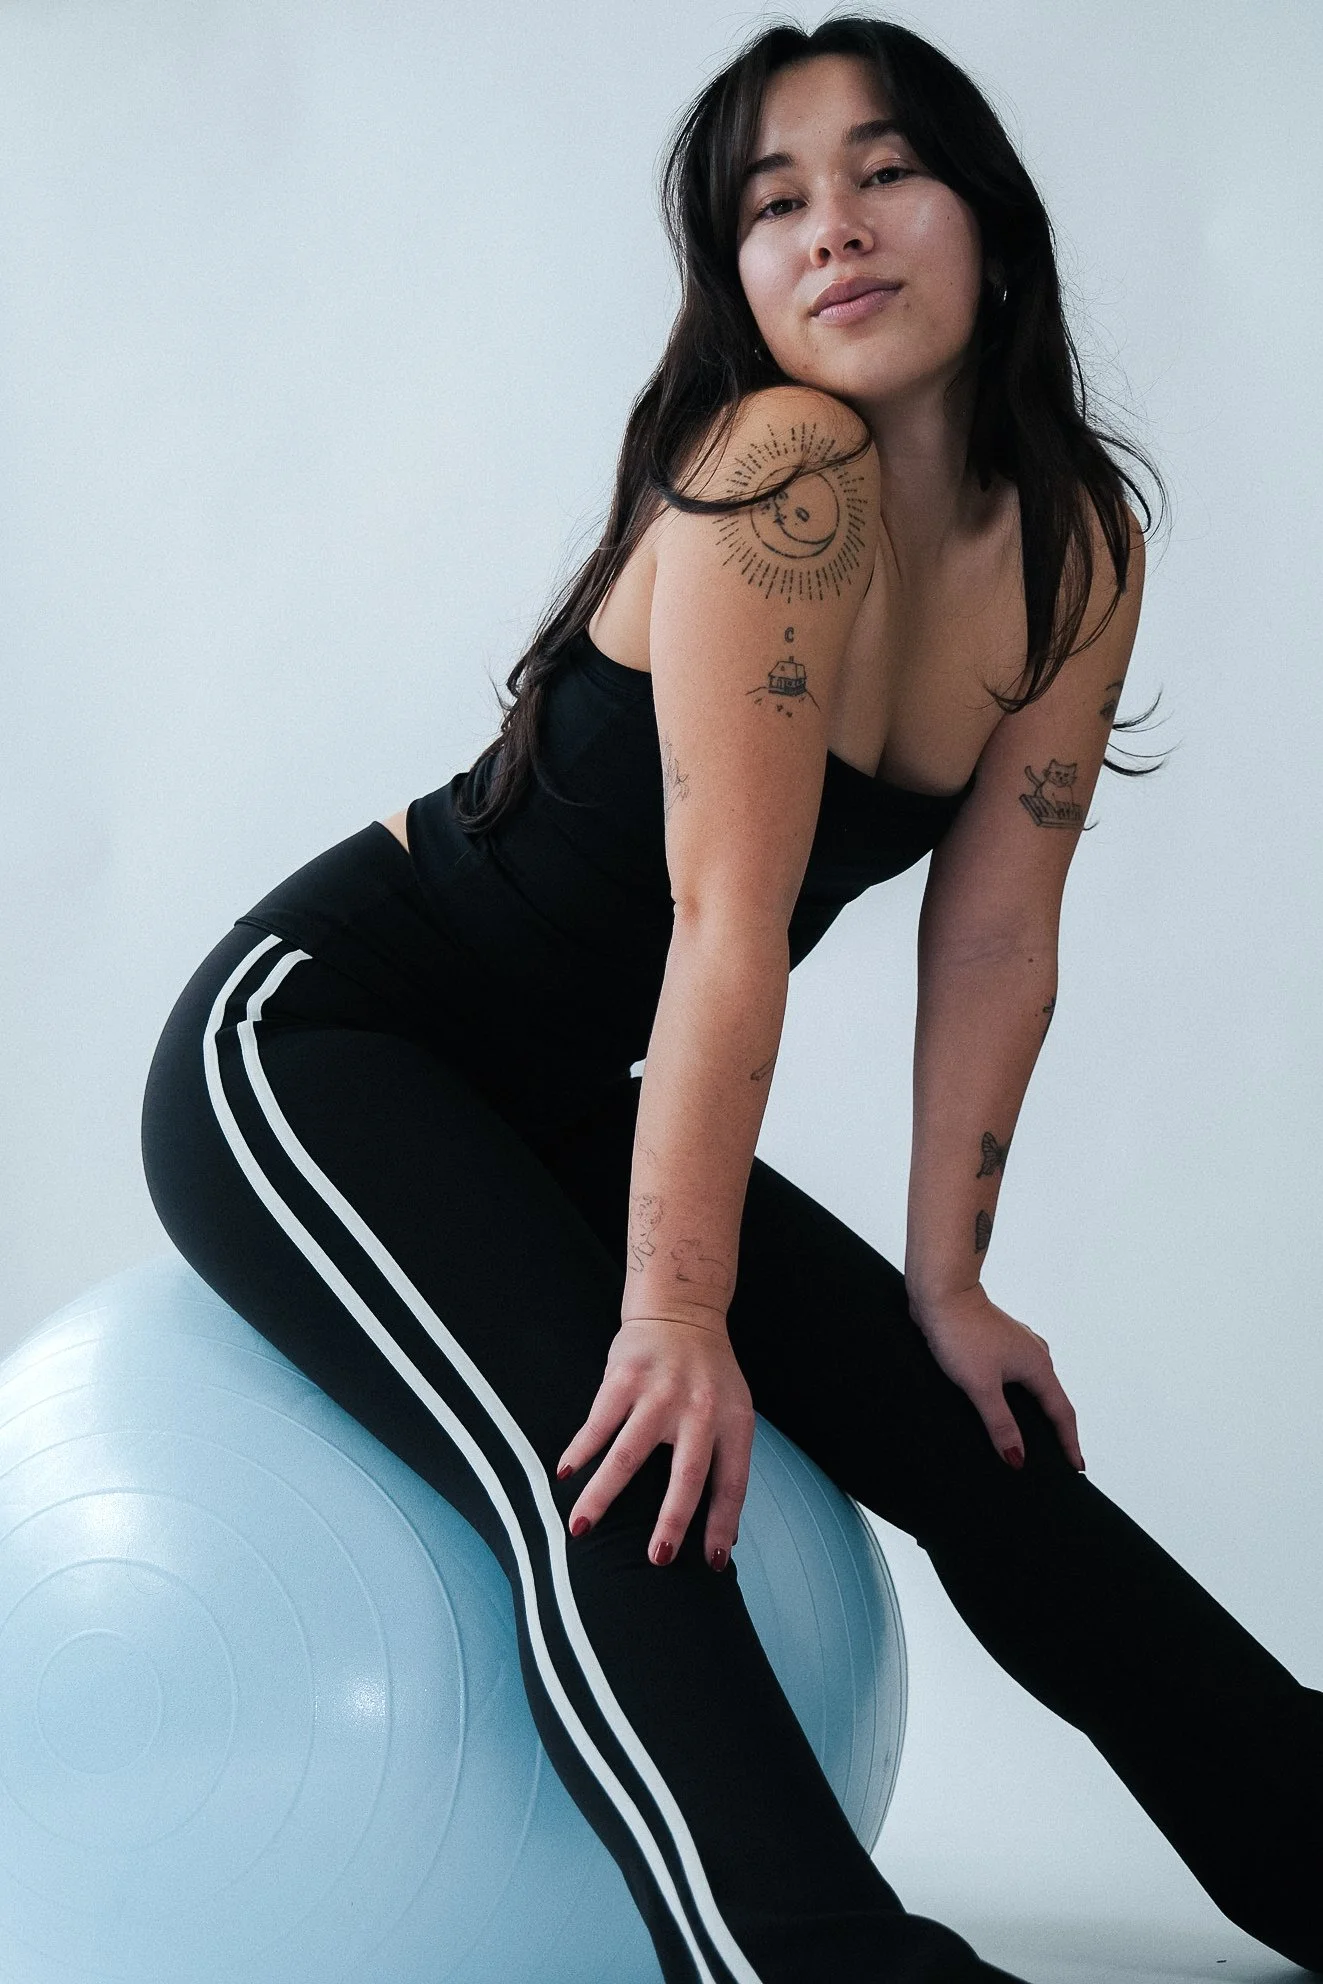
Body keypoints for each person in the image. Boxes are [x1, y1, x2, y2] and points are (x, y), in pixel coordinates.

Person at [139, 17, 1322, 1983]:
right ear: (737, 279)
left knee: (987, 1450)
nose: (833, 228)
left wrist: (948, 1284)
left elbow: (997, 937)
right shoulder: (784, 466)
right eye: (774, 204)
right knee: (623, 1469)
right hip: (324, 1042)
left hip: (556, 1095)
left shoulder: (1071, 541)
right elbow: (724, 919)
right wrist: (674, 1313)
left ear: (991, 222)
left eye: (885, 172)